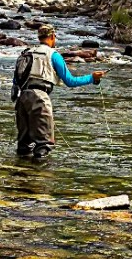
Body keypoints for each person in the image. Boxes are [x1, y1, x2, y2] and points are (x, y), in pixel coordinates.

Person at [12, 24, 105, 161]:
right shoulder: (53, 55)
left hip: (22, 99)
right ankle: (40, 178)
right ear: (52, 36)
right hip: (40, 98)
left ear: (39, 37)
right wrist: (92, 78)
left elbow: (15, 81)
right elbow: (70, 81)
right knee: (43, 145)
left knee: (24, 146)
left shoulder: (26, 52)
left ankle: (21, 176)